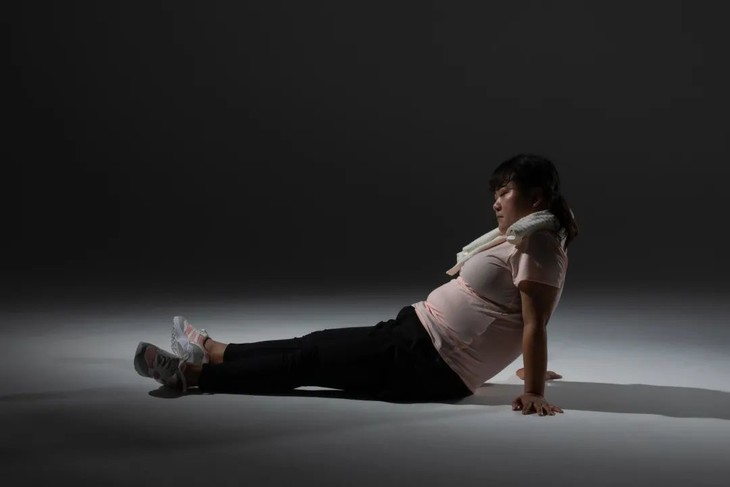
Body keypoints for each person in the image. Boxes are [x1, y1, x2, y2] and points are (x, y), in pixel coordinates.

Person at [134, 153, 578, 416]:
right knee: (311, 345)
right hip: (417, 336)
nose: (496, 202)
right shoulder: (529, 237)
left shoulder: (539, 243)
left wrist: (533, 391)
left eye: (505, 192)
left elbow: (535, 321)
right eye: (495, 193)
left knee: (309, 361)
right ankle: (214, 350)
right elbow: (517, 314)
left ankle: (192, 375)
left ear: (536, 198)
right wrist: (527, 366)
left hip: (430, 363)